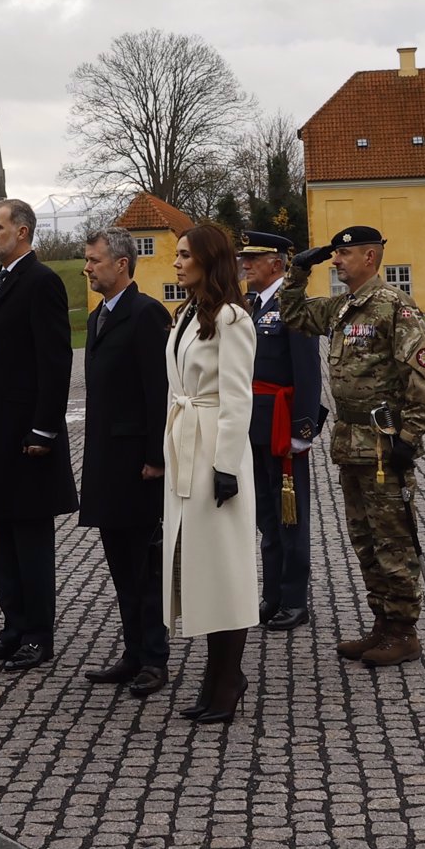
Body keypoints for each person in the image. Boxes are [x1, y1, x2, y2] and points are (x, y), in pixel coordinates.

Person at [282, 226, 425, 668]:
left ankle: (404, 631)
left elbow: (424, 376)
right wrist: (297, 272)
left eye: (344, 253)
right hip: (351, 442)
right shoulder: (341, 307)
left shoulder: (394, 307)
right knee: (365, 540)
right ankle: (382, 625)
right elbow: (294, 316)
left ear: (370, 257)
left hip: (384, 444)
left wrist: (410, 437)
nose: (335, 261)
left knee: (393, 540)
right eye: (334, 255)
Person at [0, 199, 77, 673]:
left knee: (31, 540)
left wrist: (44, 428)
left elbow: (55, 362)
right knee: (2, 538)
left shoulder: (42, 282)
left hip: (28, 436)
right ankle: (13, 629)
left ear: (23, 232)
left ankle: (38, 635)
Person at [162, 223, 259, 724]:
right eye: (176, 255)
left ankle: (228, 677)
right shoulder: (186, 315)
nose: (176, 263)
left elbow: (238, 396)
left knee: (223, 566)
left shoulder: (232, 319)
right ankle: (215, 673)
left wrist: (225, 466)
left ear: (208, 260)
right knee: (195, 562)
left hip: (216, 453)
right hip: (186, 446)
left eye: (184, 256)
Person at [77, 228, 172, 697]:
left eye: (94, 260)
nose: (87, 268)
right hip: (106, 462)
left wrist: (157, 457)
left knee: (145, 566)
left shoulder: (146, 313)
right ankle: (133, 653)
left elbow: (159, 392)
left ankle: (155, 659)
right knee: (120, 564)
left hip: (138, 464)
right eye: (87, 260)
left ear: (121, 264)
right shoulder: (99, 317)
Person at [239, 231, 324, 633]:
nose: (245, 265)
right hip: (255, 426)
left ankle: (293, 600)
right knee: (267, 518)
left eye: (253, 259)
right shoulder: (250, 306)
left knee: (291, 517)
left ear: (277, 263)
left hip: (282, 426)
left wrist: (303, 428)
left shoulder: (291, 307)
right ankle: (271, 596)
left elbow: (307, 370)